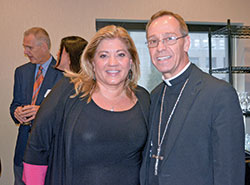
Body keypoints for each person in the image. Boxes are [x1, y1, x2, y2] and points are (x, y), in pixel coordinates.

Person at [22, 25, 150, 185]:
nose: (112, 63)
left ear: (131, 61)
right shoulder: (68, 91)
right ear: (92, 62)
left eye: (121, 55)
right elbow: (37, 145)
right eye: (103, 55)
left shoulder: (144, 99)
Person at [140, 10, 245, 185]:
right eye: (153, 41)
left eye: (169, 38)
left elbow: (229, 171)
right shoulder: (156, 94)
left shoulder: (219, 94)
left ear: (186, 43)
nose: (160, 48)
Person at [9, 27, 63, 185]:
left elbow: (66, 113)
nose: (25, 52)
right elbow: (15, 104)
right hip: (23, 149)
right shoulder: (21, 72)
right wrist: (16, 112)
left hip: (50, 153)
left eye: (29, 47)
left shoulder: (62, 74)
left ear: (44, 47)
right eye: (24, 47)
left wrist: (42, 111)